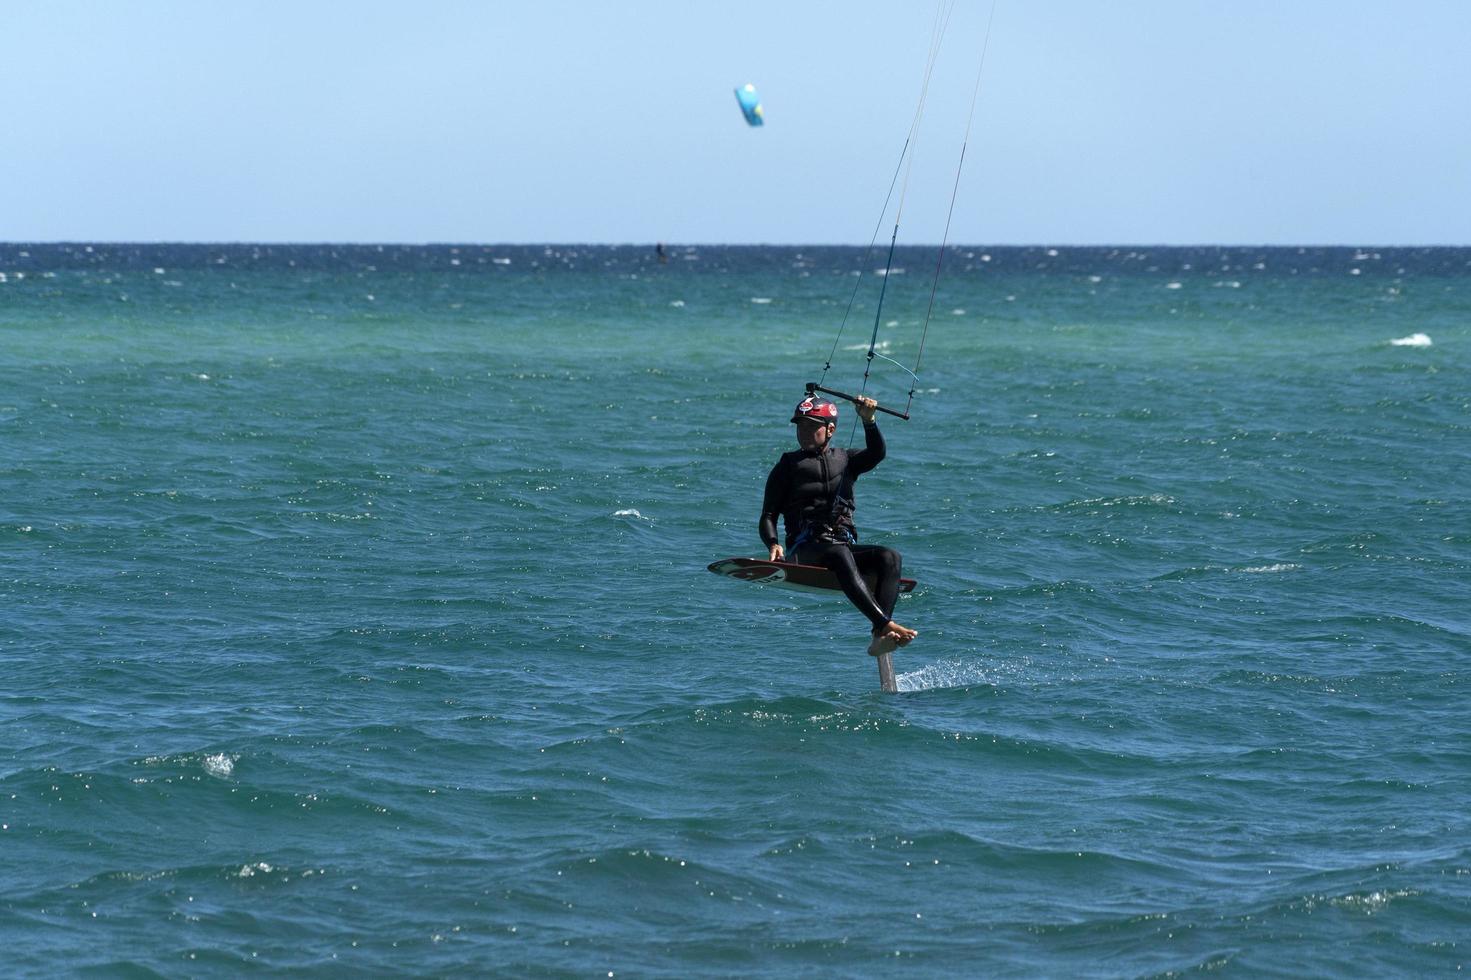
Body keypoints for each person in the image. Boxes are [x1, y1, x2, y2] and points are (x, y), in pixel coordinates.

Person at [759, 394, 918, 656]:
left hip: (841, 545)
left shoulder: (846, 461)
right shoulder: (787, 466)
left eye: (812, 426)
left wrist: (869, 421)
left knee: (890, 557)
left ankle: (880, 636)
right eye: (800, 426)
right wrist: (773, 543)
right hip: (805, 548)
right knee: (839, 553)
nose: (804, 432)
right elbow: (768, 515)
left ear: (830, 429)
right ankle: (885, 623)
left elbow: (877, 453)